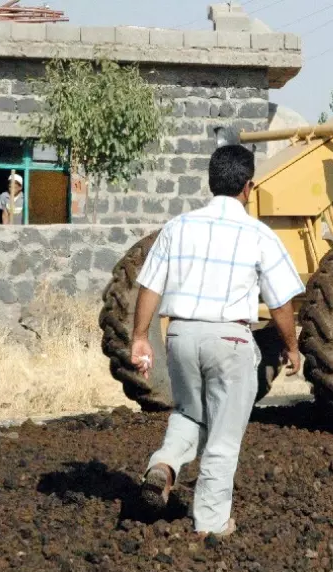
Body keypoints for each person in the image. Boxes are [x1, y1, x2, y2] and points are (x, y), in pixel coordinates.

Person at [130, 144, 306, 536]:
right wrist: (291, 347)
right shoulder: (258, 234)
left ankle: (164, 465)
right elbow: (281, 302)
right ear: (248, 186)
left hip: (181, 335)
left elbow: (149, 287)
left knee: (191, 414)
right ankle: (209, 524)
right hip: (231, 340)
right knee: (224, 436)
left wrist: (141, 337)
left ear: (211, 183)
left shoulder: (178, 227)